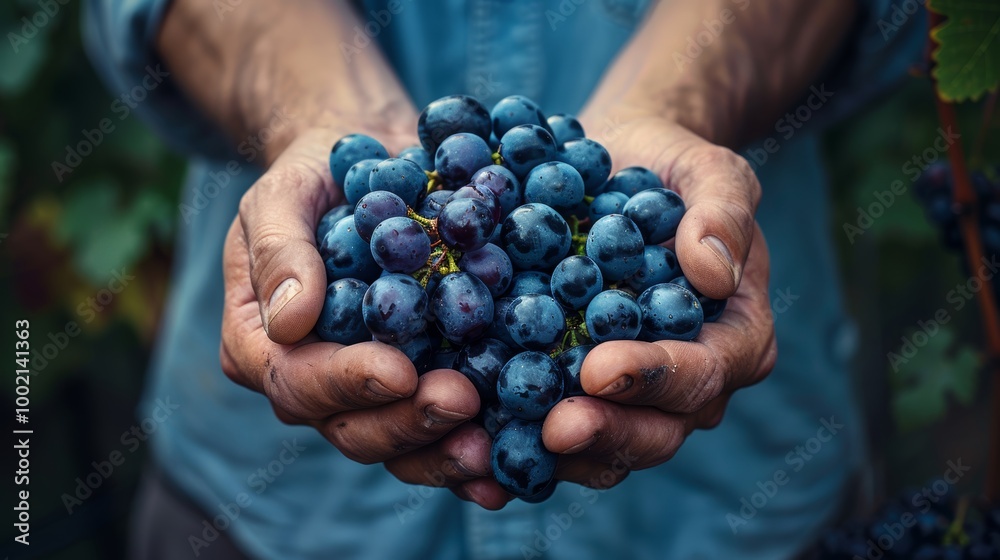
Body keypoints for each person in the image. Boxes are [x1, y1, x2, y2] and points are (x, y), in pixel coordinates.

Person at [83, 0, 925, 558]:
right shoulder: (415, 241)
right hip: (268, 511)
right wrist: (316, 116)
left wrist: (681, 106)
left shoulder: (591, 257)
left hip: (735, 509)